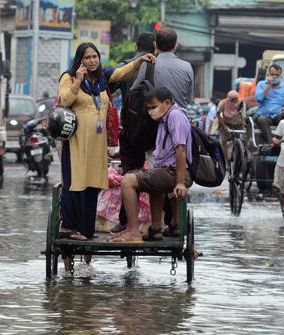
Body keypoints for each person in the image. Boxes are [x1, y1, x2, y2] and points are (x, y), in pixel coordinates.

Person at [57, 42, 155, 242]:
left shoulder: (102, 78)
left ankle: (85, 229)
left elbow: (121, 73)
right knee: (76, 181)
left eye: (95, 56)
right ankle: (69, 227)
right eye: (87, 58)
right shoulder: (69, 77)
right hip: (77, 141)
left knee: (93, 181)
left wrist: (140, 61)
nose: (92, 61)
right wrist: (78, 81)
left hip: (97, 142)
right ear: (80, 60)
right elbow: (64, 101)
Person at [110, 87, 193, 243]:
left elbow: (180, 149)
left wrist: (180, 183)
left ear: (167, 103)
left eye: (153, 107)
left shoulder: (175, 116)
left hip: (175, 173)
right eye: (148, 108)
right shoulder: (164, 119)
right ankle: (155, 229)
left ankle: (133, 232)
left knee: (128, 181)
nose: (150, 111)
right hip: (165, 171)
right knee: (154, 182)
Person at [109, 32, 156, 235]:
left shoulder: (126, 65)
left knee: (129, 174)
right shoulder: (158, 65)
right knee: (160, 173)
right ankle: (161, 223)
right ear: (154, 47)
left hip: (130, 128)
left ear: (137, 46)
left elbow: (108, 87)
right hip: (155, 128)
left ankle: (126, 221)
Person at [132, 27, 194, 109]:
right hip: (179, 120)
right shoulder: (187, 67)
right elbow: (190, 99)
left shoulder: (148, 65)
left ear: (155, 45)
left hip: (154, 119)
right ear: (176, 45)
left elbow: (133, 91)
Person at [254, 64, 284, 144]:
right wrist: (269, 86)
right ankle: (272, 143)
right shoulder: (261, 84)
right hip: (265, 115)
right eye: (272, 74)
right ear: (268, 75)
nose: (274, 77)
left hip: (278, 115)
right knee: (262, 119)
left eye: (277, 75)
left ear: (280, 76)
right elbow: (259, 99)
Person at [217, 90, 246, 169]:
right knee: (223, 141)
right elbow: (218, 114)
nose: (234, 102)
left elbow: (243, 114)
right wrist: (224, 125)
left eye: (236, 99)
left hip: (238, 123)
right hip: (226, 124)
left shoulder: (240, 103)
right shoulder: (222, 103)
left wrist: (244, 125)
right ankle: (226, 161)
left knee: (243, 140)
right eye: (232, 100)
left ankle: (242, 159)